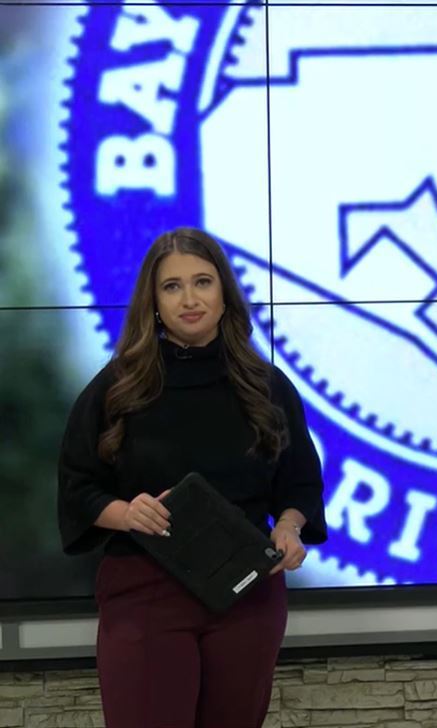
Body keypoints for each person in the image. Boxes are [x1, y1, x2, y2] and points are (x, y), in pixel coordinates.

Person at [58, 228, 328, 728]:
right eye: (172, 286)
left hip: (247, 594)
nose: (189, 298)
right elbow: (79, 487)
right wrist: (127, 512)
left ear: (224, 293)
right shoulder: (117, 388)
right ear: (153, 302)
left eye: (202, 282)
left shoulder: (266, 386)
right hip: (144, 594)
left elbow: (299, 486)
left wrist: (288, 528)